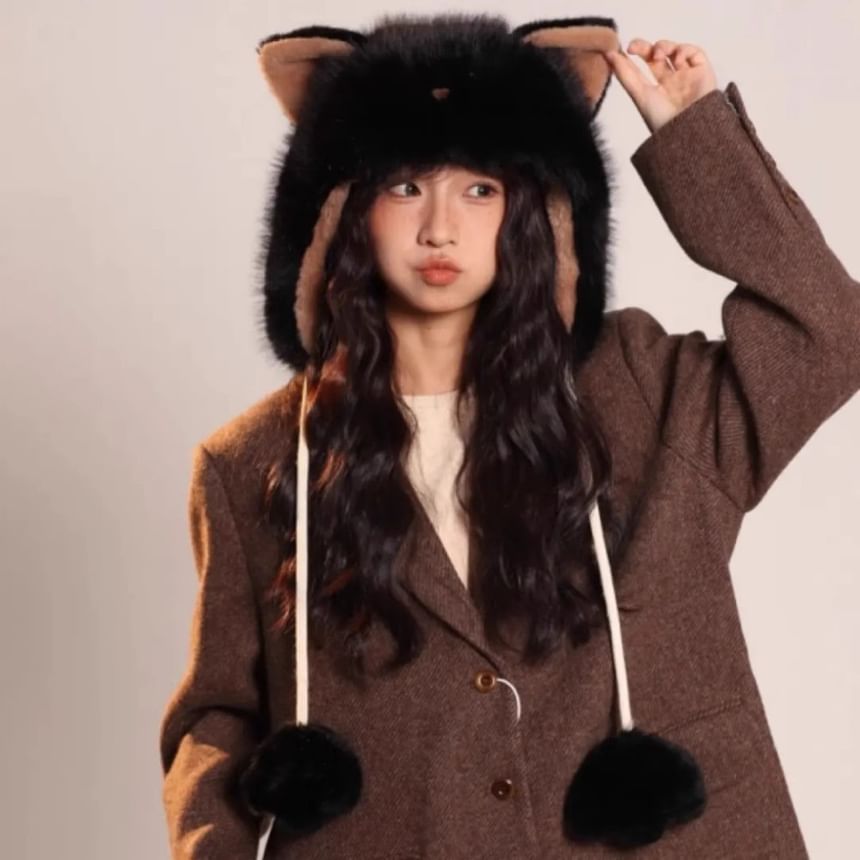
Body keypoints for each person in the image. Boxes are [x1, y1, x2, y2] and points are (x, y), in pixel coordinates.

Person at [158, 13, 860, 859]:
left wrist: (694, 139)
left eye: (480, 189)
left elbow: (828, 335)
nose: (440, 228)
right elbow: (219, 718)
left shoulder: (639, 389)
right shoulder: (252, 464)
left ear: (535, 209)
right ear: (344, 210)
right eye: (405, 187)